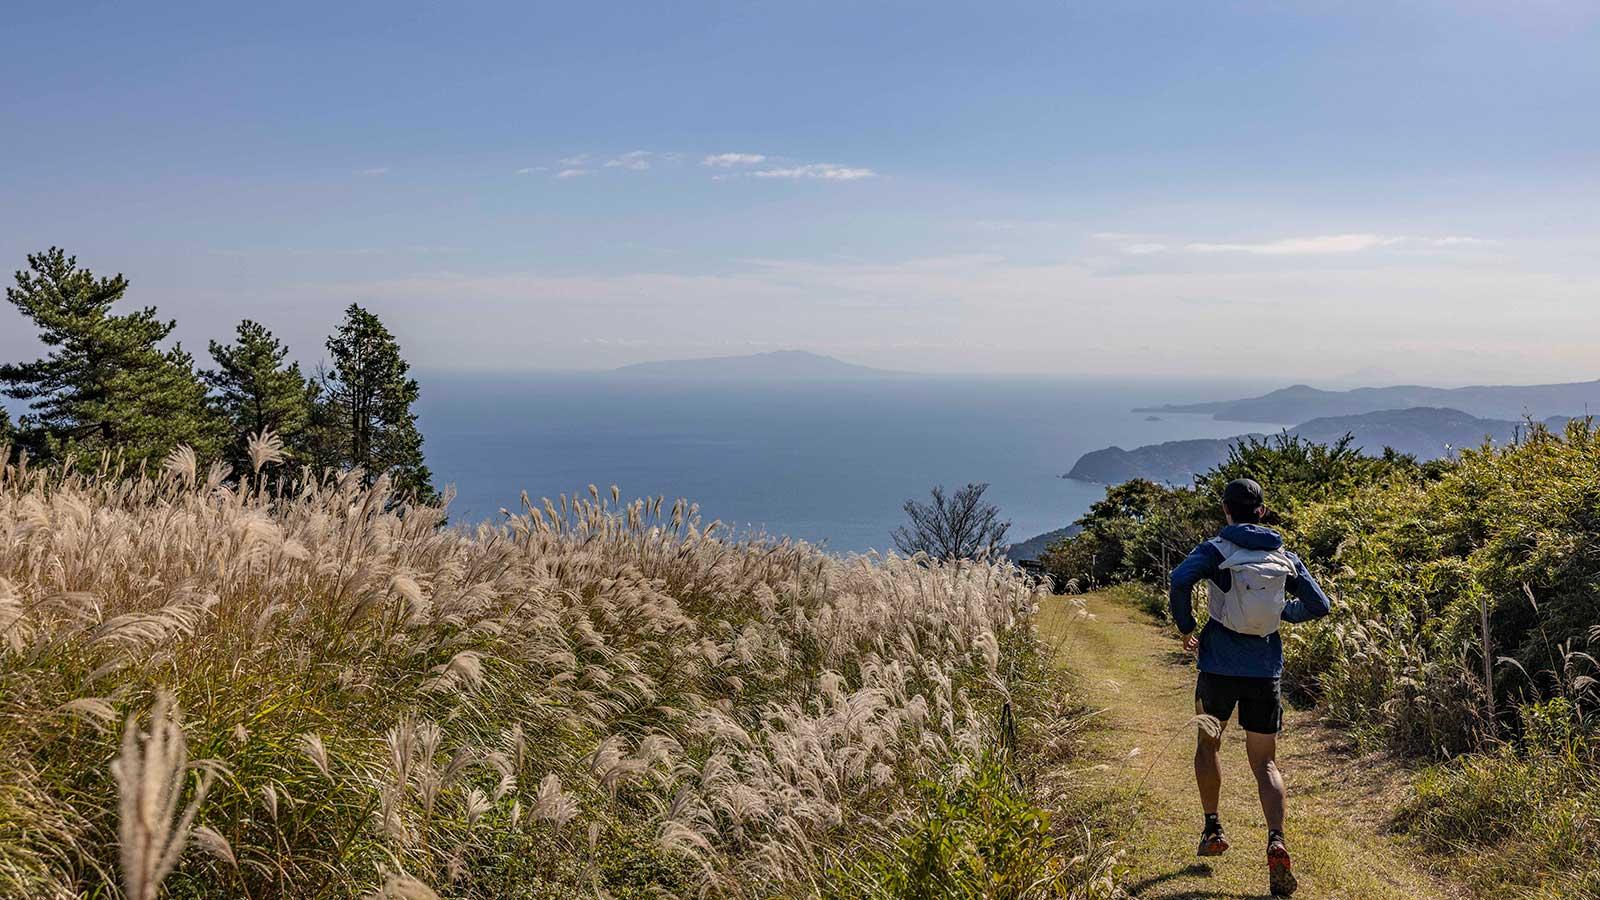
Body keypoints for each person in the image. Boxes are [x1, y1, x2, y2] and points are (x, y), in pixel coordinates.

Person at [1168, 477, 1331, 898]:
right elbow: (1320, 605)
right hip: (1265, 669)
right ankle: (1276, 839)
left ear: (1227, 510)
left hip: (1218, 667)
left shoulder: (1216, 550)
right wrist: (1280, 613)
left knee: (1209, 746)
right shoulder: (1284, 556)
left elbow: (1179, 579)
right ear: (1261, 511)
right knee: (1266, 764)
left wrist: (1187, 628)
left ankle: (1212, 828)